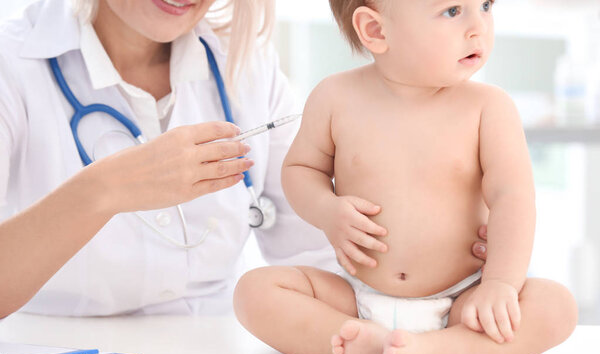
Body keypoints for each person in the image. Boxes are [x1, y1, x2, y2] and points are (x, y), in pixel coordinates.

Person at [0, 0, 487, 319]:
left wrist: (438, 260)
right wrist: (103, 192)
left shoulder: (244, 65)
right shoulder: (12, 66)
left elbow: (318, 251)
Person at [233, 0, 578, 354]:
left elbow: (512, 198)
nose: (478, 26)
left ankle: (431, 352)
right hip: (355, 296)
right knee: (254, 292)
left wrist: (499, 284)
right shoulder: (334, 97)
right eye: (452, 11)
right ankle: (366, 340)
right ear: (377, 31)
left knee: (555, 307)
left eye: (484, 5)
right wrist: (325, 209)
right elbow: (301, 170)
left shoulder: (488, 108)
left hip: (462, 299)